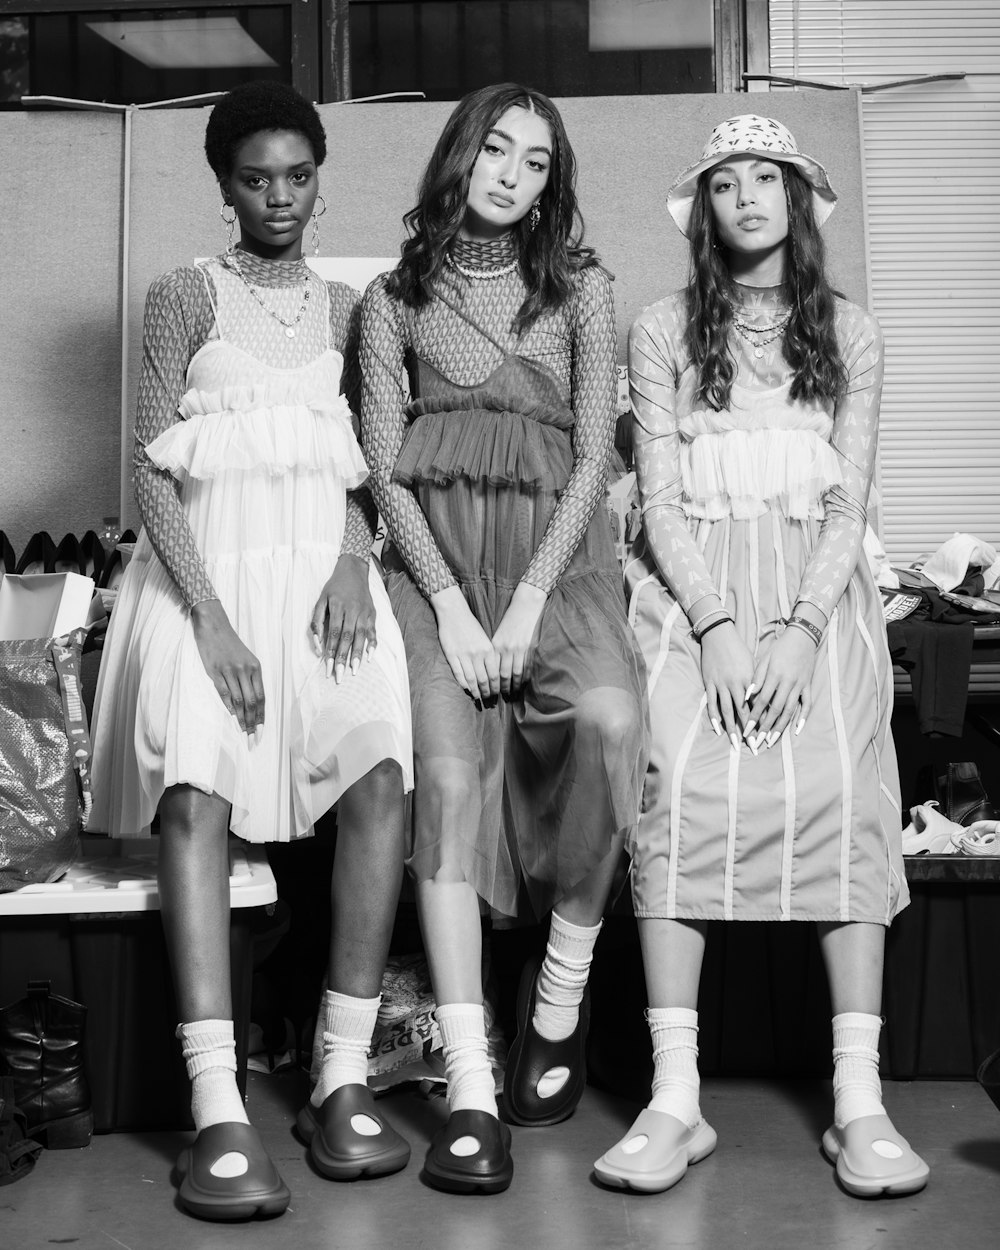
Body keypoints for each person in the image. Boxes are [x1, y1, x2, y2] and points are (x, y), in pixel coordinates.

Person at [88, 81, 413, 1221]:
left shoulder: (354, 305)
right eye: (254, 176)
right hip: (207, 581)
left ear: (320, 180)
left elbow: (377, 460)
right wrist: (212, 618)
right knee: (194, 794)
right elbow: (147, 463)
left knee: (380, 774)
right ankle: (217, 1102)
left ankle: (338, 1072)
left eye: (297, 175)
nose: (277, 195)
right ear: (223, 183)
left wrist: (347, 564)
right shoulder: (182, 292)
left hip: (326, 577)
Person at [594, 115, 928, 1198]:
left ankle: (857, 1099)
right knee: (677, 787)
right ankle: (674, 1094)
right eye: (725, 182)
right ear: (704, 209)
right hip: (694, 604)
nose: (746, 196)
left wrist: (792, 628)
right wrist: (720, 627)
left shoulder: (853, 333)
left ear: (796, 199)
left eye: (765, 179)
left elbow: (849, 499)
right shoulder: (661, 329)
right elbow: (655, 495)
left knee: (842, 786)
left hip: (814, 605)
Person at [360, 82, 647, 1194]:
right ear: (458, 154)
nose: (512, 175)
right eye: (496, 149)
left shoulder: (581, 288)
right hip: (434, 579)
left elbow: (590, 457)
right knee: (444, 774)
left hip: (554, 573)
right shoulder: (389, 301)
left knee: (610, 720)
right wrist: (448, 601)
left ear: (551, 182)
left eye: (535, 162)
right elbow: (383, 474)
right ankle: (472, 1081)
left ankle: (560, 991)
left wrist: (525, 601)